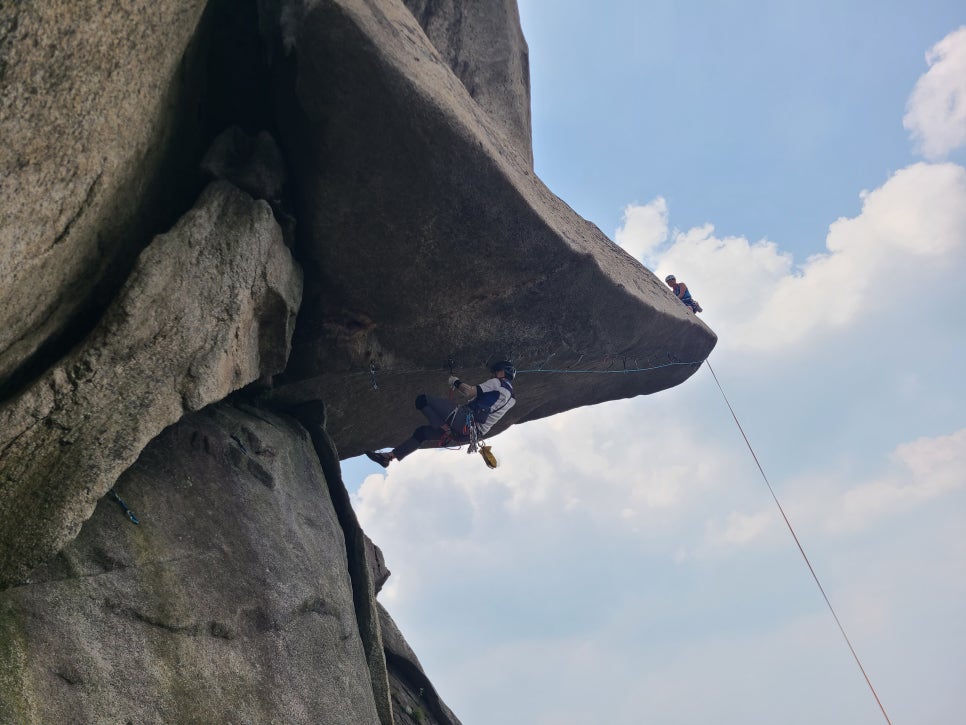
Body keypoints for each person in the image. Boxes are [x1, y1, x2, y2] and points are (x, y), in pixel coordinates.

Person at [365, 360, 516, 467]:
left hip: (465, 421)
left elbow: (468, 392)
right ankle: (389, 457)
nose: (492, 376)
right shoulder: (511, 400)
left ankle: (444, 427)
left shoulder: (497, 383)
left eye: (494, 372)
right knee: (422, 433)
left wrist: (455, 381)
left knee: (422, 400)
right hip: (468, 435)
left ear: (502, 372)